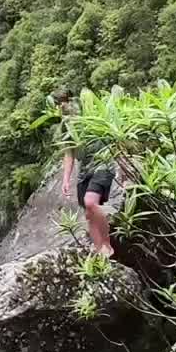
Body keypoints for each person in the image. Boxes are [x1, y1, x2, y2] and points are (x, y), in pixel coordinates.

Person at [58, 91, 116, 257]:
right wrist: (65, 180)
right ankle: (100, 252)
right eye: (60, 103)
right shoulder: (65, 126)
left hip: (102, 165)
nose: (63, 105)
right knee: (89, 213)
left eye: (66, 101)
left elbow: (112, 136)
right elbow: (69, 153)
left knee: (90, 202)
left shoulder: (91, 114)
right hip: (85, 171)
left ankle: (106, 245)